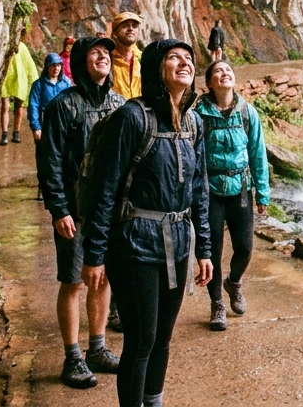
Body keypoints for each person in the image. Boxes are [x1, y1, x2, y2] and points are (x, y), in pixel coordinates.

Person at [82, 39, 213, 407]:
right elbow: (105, 189)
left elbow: (199, 189)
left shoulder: (193, 123)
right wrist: (95, 254)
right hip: (134, 242)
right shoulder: (132, 117)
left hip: (177, 240)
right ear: (156, 67)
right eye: (174, 58)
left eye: (189, 59)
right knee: (141, 339)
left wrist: (204, 248)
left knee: (163, 339)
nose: (184, 63)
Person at [36, 37, 125, 389]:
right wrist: (58, 208)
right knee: (73, 281)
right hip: (74, 209)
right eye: (94, 52)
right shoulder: (63, 106)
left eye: (106, 51)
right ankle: (72, 356)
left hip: (108, 212)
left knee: (101, 278)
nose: (102, 55)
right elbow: (50, 160)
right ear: (80, 60)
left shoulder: (120, 105)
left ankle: (97, 348)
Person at [193, 60, 270, 331]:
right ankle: (216, 305)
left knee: (245, 248)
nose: (224, 74)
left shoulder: (248, 113)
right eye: (217, 71)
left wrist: (262, 193)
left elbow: (257, 154)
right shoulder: (198, 114)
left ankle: (233, 282)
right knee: (212, 251)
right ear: (210, 83)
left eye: (228, 70)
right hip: (210, 191)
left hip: (240, 189)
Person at [0, 36, 40, 145]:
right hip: (6, 80)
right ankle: (4, 134)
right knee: (5, 107)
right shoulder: (5, 45)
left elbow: (29, 65)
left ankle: (16, 132)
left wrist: (34, 81)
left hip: (20, 81)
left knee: (19, 107)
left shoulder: (22, 47)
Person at [28, 53, 72, 142]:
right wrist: (36, 127)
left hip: (62, 122)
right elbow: (33, 106)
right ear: (47, 67)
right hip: (45, 122)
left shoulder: (66, 82)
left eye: (58, 65)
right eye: (53, 65)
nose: (56, 69)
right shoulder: (38, 84)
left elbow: (71, 103)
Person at [110, 12, 143, 100]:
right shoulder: (107, 59)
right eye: (125, 26)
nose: (130, 29)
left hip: (140, 111)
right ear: (114, 33)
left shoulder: (144, 59)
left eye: (134, 26)